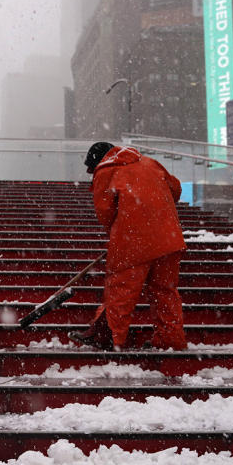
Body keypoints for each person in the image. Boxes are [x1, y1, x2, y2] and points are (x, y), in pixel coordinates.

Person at [69, 142, 187, 351]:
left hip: (133, 241)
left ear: (98, 161)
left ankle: (110, 337)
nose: (91, 172)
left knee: (120, 291)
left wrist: (120, 234)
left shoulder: (106, 171)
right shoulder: (150, 163)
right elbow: (175, 189)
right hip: (169, 239)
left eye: (91, 168)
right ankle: (170, 339)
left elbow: (105, 212)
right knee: (165, 292)